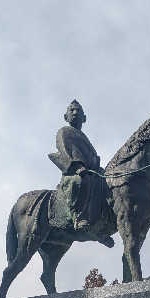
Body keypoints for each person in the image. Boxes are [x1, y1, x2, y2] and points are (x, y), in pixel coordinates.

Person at [48, 101, 114, 246]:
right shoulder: (64, 132)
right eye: (72, 110)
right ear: (66, 116)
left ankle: (102, 226)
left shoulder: (85, 139)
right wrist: (77, 166)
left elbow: (92, 158)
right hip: (74, 172)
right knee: (83, 181)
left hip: (91, 172)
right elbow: (64, 151)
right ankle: (80, 217)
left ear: (84, 118)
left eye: (78, 111)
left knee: (106, 185)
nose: (75, 113)